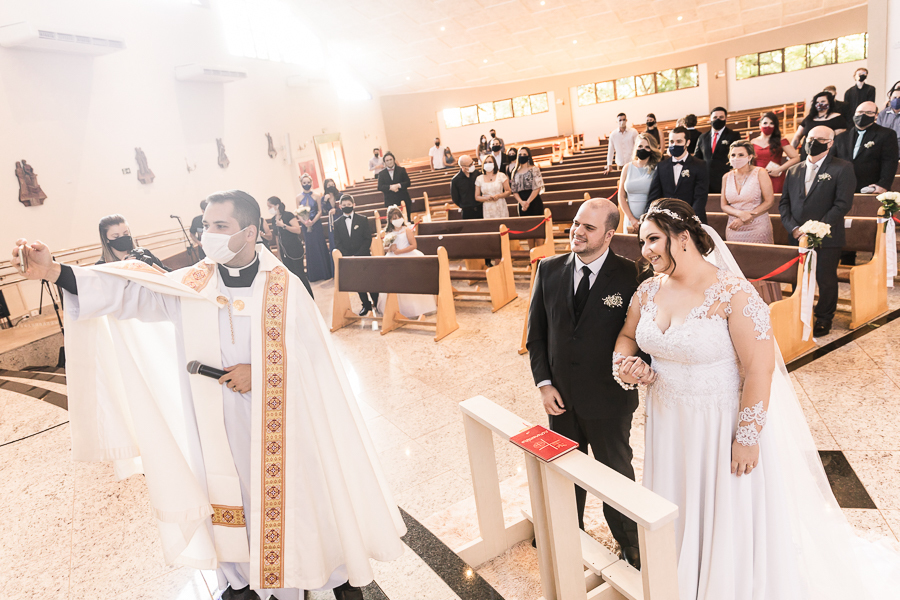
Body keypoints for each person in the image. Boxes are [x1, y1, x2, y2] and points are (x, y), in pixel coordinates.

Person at [13, 190, 406, 600]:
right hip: (218, 428)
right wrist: (55, 270)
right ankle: (244, 578)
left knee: (299, 503)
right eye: (206, 225)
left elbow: (320, 364)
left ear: (249, 232)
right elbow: (128, 290)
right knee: (231, 502)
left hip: (285, 428)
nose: (208, 234)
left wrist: (265, 373)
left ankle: (316, 571)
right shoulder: (192, 284)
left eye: (221, 226)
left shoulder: (288, 287)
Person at [613, 198, 900, 600]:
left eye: (653, 240)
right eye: (643, 241)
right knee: (676, 497)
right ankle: (679, 573)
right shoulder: (648, 289)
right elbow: (627, 337)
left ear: (682, 238)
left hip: (719, 421)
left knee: (724, 506)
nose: (645, 250)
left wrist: (747, 437)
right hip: (667, 418)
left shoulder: (734, 293)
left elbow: (760, 369)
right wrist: (625, 364)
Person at [526, 198, 643, 570]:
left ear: (609, 234)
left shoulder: (630, 275)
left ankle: (631, 546)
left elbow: (643, 336)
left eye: (588, 227)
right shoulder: (549, 269)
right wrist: (545, 385)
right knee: (565, 476)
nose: (577, 231)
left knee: (616, 476)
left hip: (609, 401)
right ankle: (567, 538)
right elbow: (537, 336)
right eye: (576, 223)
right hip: (561, 400)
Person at [780, 125, 856, 337]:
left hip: (828, 236)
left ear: (830, 143)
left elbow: (842, 204)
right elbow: (784, 203)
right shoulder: (793, 170)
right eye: (810, 138)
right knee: (797, 277)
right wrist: (794, 228)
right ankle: (797, 311)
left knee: (825, 278)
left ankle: (823, 317)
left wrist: (817, 230)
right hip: (797, 236)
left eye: (819, 139)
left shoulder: (842, 168)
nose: (812, 142)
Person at [376, 206, 437, 318]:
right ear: (390, 220)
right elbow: (385, 247)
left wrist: (400, 251)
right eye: (394, 218)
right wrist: (389, 249)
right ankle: (395, 308)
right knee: (395, 283)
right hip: (393, 258)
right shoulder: (389, 232)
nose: (397, 219)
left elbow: (414, 245)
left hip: (408, 256)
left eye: (399, 217)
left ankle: (415, 309)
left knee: (410, 281)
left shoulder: (407, 230)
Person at [834, 101, 900, 194]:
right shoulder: (841, 137)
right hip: (842, 186)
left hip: (870, 187)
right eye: (860, 112)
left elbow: (890, 161)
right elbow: (833, 160)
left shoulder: (886, 134)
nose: (863, 115)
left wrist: (883, 185)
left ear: (876, 115)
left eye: (868, 113)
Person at [648, 126, 710, 223]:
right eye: (671, 142)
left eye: (679, 141)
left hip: (692, 219)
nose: (674, 145)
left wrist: (689, 220)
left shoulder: (700, 165)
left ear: (687, 143)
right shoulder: (661, 166)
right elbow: (654, 196)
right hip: (667, 221)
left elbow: (700, 197)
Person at [721, 140, 775, 243]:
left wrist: (746, 217)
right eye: (733, 155)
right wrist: (740, 214)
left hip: (757, 226)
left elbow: (769, 201)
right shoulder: (726, 177)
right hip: (734, 227)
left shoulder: (760, 172)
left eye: (741, 155)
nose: (736, 158)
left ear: (749, 157)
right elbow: (724, 205)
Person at [333, 194, 379, 316]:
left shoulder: (362, 219)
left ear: (354, 205)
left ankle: (377, 302)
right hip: (349, 257)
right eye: (344, 205)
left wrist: (359, 253)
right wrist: (348, 255)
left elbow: (367, 239)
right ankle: (365, 304)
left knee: (369, 280)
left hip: (363, 255)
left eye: (349, 205)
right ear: (340, 206)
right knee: (357, 281)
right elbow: (337, 242)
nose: (346, 207)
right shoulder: (337, 223)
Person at [263, 196, 312, 298]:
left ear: (277, 205)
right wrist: (279, 254)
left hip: (294, 248)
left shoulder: (288, 215)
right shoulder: (273, 219)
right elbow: (277, 237)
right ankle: (299, 298)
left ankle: (309, 297)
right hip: (284, 250)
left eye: (270, 206)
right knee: (291, 276)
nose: (269, 209)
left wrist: (283, 225)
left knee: (299, 274)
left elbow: (297, 230)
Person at [618, 132, 660, 233]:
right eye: (640, 146)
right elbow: (621, 196)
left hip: (651, 219)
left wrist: (647, 218)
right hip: (630, 219)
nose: (643, 149)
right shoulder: (627, 167)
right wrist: (631, 219)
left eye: (647, 147)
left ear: (652, 150)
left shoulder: (657, 169)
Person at [694, 107, 741, 193]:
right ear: (710, 119)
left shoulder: (733, 135)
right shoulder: (702, 137)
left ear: (726, 119)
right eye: (715, 117)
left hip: (725, 178)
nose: (718, 120)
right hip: (706, 180)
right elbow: (697, 158)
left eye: (721, 117)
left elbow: (737, 156)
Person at [750, 111, 800, 194]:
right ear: (760, 125)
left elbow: (796, 158)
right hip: (757, 177)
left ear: (775, 126)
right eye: (765, 123)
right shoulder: (753, 142)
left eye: (771, 123)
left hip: (775, 176)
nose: (768, 126)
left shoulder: (781, 140)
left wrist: (779, 169)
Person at [297, 174, 333, 282]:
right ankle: (314, 274)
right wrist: (304, 222)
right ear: (301, 184)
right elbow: (298, 212)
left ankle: (325, 272)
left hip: (316, 224)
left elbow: (320, 211)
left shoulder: (317, 195)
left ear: (311, 183)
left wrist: (313, 221)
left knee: (319, 245)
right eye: (304, 183)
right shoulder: (298, 197)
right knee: (310, 246)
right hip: (305, 225)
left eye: (308, 182)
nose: (306, 184)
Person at [96, 214, 167, 269]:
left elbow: (169, 275)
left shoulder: (143, 253)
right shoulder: (101, 266)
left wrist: (149, 265)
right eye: (116, 236)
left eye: (126, 234)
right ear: (106, 239)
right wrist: (123, 268)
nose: (122, 238)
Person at [510, 147, 545, 217]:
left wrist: (527, 202)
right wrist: (522, 202)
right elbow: (514, 191)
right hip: (521, 203)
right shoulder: (514, 172)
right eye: (520, 154)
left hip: (534, 201)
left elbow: (537, 188)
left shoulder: (534, 169)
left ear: (528, 156)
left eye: (524, 154)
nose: (522, 156)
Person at [475, 154, 511, 219]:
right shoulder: (479, 178)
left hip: (500, 206)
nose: (488, 164)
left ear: (494, 164)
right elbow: (477, 197)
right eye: (485, 162)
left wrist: (498, 196)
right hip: (488, 208)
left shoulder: (501, 175)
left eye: (490, 162)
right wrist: (486, 198)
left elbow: (508, 191)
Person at [450, 154, 482, 219]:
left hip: (480, 207)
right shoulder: (455, 180)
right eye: (470, 165)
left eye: (472, 163)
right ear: (463, 168)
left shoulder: (477, 173)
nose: (473, 165)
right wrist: (464, 205)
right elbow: (455, 198)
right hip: (467, 211)